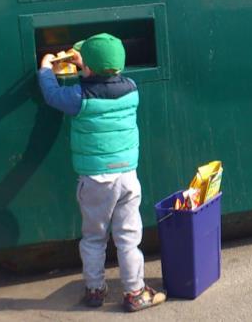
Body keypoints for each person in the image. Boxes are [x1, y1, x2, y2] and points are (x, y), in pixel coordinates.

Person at [37, 33, 165, 312]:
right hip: (127, 177)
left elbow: (52, 94)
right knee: (129, 239)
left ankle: (95, 290)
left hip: (95, 180)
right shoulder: (132, 89)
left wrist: (46, 69)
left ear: (88, 69)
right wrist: (91, 64)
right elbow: (108, 73)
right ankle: (134, 292)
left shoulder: (78, 97)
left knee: (94, 238)